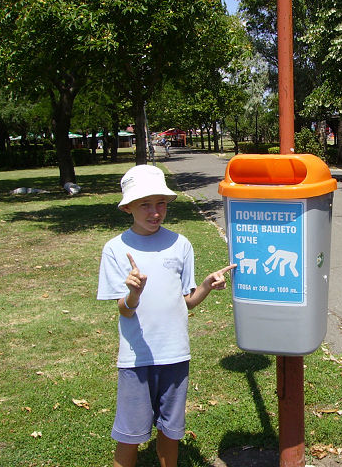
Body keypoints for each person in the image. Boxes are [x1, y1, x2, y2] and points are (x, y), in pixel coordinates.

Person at [97, 164, 235, 467]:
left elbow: (186, 302)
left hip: (175, 354)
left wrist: (206, 286)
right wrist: (134, 294)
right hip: (136, 358)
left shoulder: (180, 244)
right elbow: (124, 309)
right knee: (130, 434)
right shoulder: (115, 249)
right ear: (128, 207)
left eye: (160, 203)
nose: (155, 212)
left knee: (170, 431)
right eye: (145, 204)